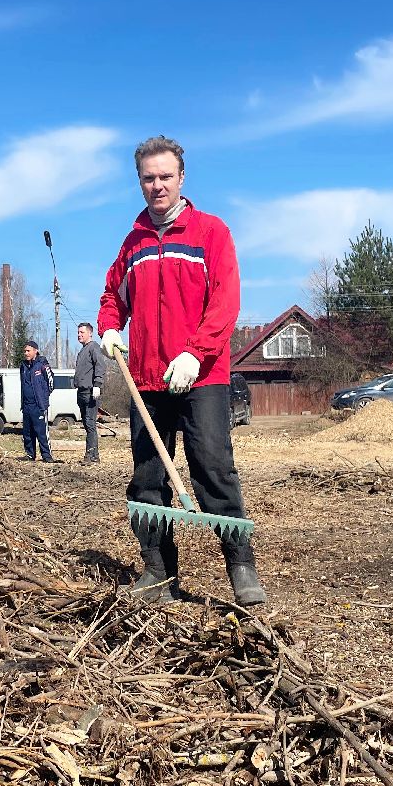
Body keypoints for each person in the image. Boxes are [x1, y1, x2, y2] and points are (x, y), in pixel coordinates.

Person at [98, 135, 265, 606]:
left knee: (212, 468)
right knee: (149, 478)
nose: (157, 186)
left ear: (181, 178)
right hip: (147, 380)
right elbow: (113, 296)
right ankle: (158, 571)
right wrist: (110, 327)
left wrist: (196, 353)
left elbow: (226, 301)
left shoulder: (211, 233)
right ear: (139, 182)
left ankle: (240, 566)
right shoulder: (132, 244)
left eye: (165, 177)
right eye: (148, 178)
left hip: (202, 377)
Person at [74, 322, 105, 464]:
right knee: (86, 425)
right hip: (81, 392)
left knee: (90, 423)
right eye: (78, 332)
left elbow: (100, 365)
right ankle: (91, 454)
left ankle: (92, 456)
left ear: (90, 333)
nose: (79, 335)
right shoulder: (82, 350)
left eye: (82, 332)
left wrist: (97, 385)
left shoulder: (94, 347)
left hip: (90, 392)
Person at [19, 340, 55, 462]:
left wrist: (44, 397)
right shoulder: (23, 366)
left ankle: (47, 456)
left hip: (38, 405)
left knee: (41, 433)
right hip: (27, 405)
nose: (26, 353)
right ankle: (30, 455)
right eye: (25, 351)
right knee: (27, 433)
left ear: (35, 351)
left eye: (28, 351)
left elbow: (51, 383)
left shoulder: (42, 364)